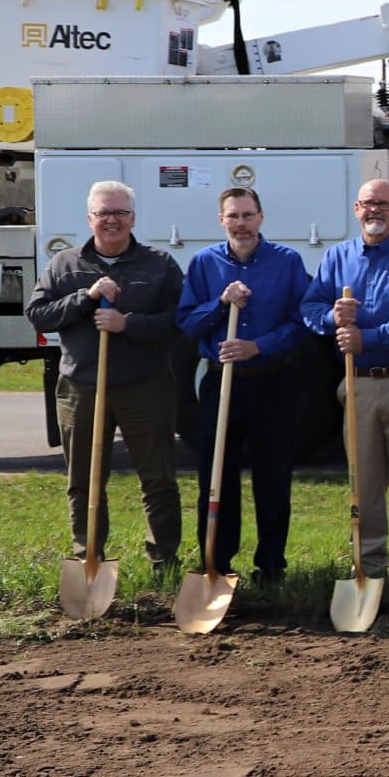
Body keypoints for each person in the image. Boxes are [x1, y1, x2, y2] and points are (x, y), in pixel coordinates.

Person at [25, 179, 185, 570]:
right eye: (103, 213)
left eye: (120, 213)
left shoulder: (159, 264)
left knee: (158, 479)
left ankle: (164, 560)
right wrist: (87, 298)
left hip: (144, 385)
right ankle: (89, 560)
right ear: (89, 218)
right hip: (81, 386)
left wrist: (126, 323)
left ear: (133, 218)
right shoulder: (65, 264)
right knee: (84, 480)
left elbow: (178, 323)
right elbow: (38, 315)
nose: (111, 220)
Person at [302, 178, 389, 582]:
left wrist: (369, 337)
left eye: (384, 204)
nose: (375, 210)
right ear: (355, 208)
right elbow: (310, 306)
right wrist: (332, 319)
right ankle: (369, 564)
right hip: (357, 382)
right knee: (363, 479)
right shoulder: (337, 257)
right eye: (368, 203)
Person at [178, 187, 308, 584]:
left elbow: (303, 322)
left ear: (261, 218)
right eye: (233, 216)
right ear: (222, 221)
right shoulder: (204, 264)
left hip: (272, 382)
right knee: (217, 475)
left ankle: (271, 566)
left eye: (248, 215)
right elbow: (186, 322)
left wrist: (257, 346)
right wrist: (220, 303)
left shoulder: (287, 262)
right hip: (222, 385)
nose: (241, 224)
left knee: (273, 478)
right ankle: (216, 563)